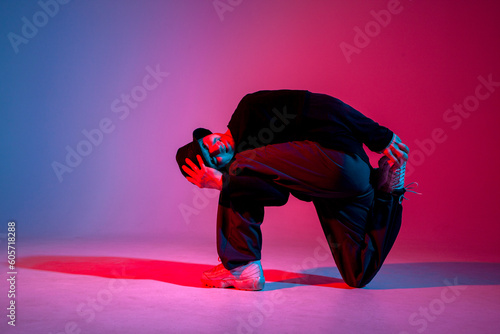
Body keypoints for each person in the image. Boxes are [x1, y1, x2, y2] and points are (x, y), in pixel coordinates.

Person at [176, 90, 410, 290]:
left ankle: (239, 265)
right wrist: (223, 183)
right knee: (358, 273)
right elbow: (278, 196)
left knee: (234, 173)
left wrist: (377, 135)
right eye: (213, 159)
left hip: (339, 157)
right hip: (339, 187)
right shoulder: (248, 166)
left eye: (210, 144)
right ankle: (388, 190)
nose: (218, 149)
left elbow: (324, 105)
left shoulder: (249, 109)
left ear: (209, 135)